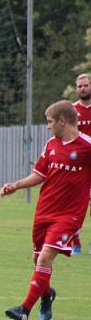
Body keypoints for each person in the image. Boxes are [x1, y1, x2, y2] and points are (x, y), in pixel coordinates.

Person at [0, 100, 91, 320]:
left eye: (50, 122)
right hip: (44, 212)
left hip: (69, 217)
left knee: (45, 258)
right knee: (37, 260)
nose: (48, 126)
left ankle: (23, 310)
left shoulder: (87, 146)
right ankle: (47, 294)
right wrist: (16, 185)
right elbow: (40, 174)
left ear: (62, 121)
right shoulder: (51, 144)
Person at [70, 73, 91, 254]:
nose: (82, 89)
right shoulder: (71, 111)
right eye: (79, 86)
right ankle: (75, 242)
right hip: (78, 166)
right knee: (75, 204)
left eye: (85, 85)